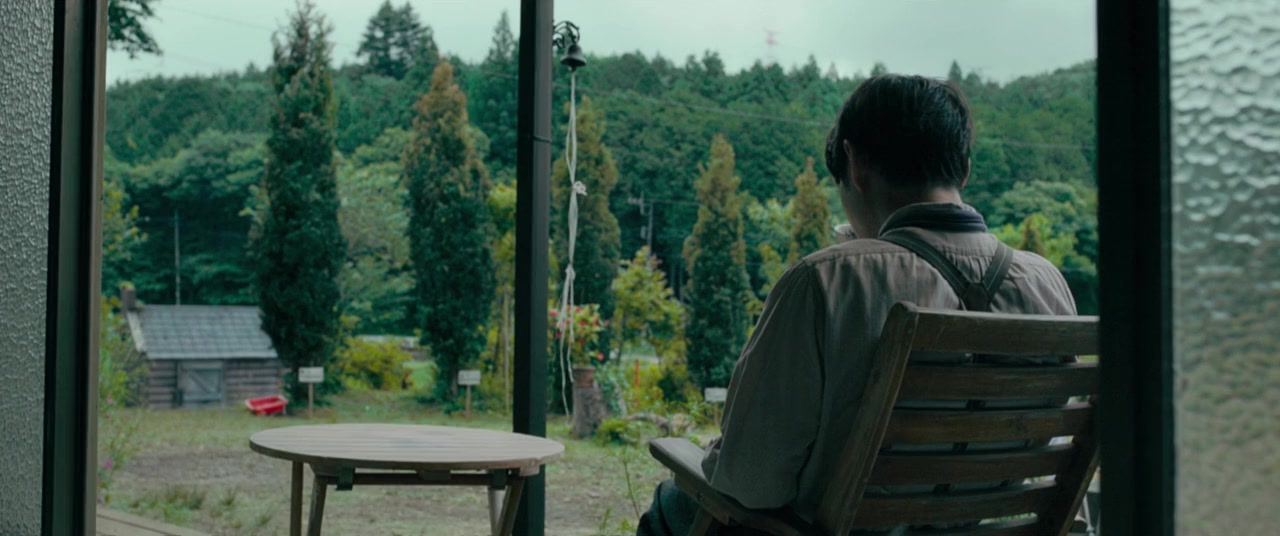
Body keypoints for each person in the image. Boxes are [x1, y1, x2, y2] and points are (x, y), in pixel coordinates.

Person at [637, 74, 1077, 535]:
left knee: (674, 501)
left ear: (856, 164)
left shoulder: (827, 280)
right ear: (964, 170)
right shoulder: (1047, 285)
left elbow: (750, 483)